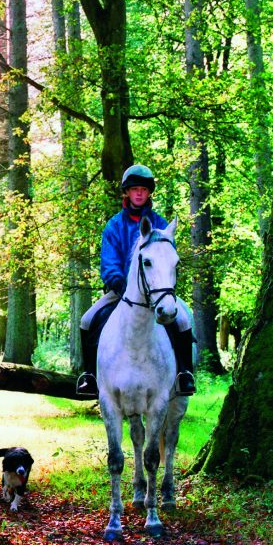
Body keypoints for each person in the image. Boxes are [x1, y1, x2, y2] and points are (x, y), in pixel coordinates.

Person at [74, 165, 196, 398]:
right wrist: (120, 285)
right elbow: (109, 263)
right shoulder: (114, 226)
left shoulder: (160, 223)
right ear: (126, 193)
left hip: (157, 291)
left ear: (149, 193)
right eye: (134, 189)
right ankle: (90, 375)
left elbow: (168, 260)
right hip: (121, 292)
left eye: (143, 189)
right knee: (87, 320)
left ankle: (184, 374)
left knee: (182, 320)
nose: (139, 193)